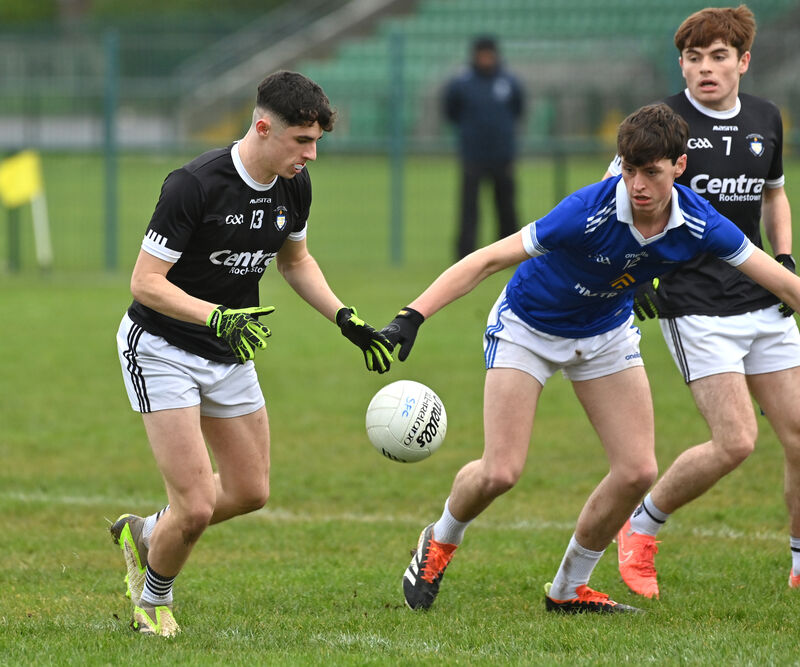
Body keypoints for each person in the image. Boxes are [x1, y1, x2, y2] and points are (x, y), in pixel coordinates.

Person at [381, 102, 800, 615]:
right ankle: (439, 542)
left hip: (604, 334)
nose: (638, 184)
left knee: (637, 470)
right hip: (529, 328)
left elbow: (780, 281)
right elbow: (488, 259)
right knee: (500, 472)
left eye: (651, 171)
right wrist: (412, 316)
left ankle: (568, 588)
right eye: (628, 169)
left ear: (679, 167)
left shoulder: (700, 221)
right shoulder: (586, 211)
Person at [109, 70, 393, 637]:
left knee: (249, 491)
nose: (311, 155)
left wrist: (344, 317)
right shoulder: (193, 185)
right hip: (161, 347)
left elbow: (295, 262)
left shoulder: (294, 185)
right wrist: (213, 314)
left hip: (229, 348)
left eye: (316, 142)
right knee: (193, 505)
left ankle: (147, 532)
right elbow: (145, 282)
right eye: (302, 141)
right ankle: (152, 599)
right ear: (264, 128)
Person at [603, 5, 800, 600]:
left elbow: (774, 195)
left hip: (761, 297)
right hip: (692, 303)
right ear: (681, 64)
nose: (705, 69)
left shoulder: (767, 117)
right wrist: (634, 273)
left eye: (718, 57)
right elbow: (613, 197)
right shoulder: (662, 123)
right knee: (737, 440)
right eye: (693, 58)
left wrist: (784, 259)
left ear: (743, 62)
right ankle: (640, 526)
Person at [443, 35, 525, 260]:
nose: (486, 59)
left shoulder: (508, 81)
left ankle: (510, 253)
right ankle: (464, 253)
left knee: (506, 206)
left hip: (502, 155)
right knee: (469, 207)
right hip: (473, 156)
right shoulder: (463, 83)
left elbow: (518, 109)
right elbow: (451, 111)